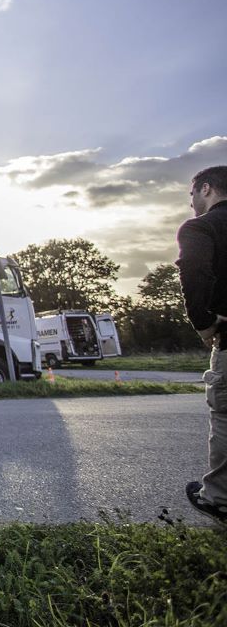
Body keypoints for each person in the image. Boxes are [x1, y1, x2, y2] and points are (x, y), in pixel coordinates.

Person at [176, 165, 227, 524]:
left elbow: (194, 273)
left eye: (192, 194)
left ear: (206, 189)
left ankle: (218, 497)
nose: (192, 204)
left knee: (224, 416)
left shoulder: (201, 227)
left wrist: (204, 324)